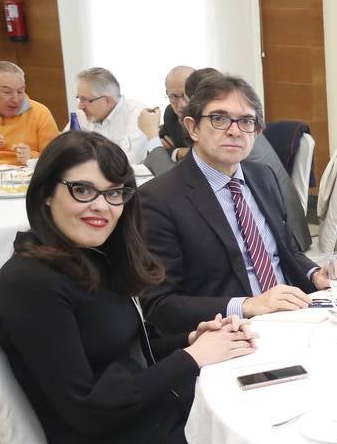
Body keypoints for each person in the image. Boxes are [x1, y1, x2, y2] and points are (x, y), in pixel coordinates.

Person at [0, 131, 258, 444]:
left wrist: (191, 338)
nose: (102, 206)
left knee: (269, 412)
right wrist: (191, 357)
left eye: (115, 193)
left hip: (148, 425)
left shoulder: (89, 258)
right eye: (83, 190)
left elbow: (130, 349)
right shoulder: (32, 282)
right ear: (47, 192)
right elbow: (88, 409)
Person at [139, 73, 327, 333]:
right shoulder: (157, 199)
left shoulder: (262, 176)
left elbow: (287, 251)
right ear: (192, 127)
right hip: (231, 332)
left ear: (257, 132)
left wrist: (315, 274)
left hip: (295, 319)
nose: (234, 130)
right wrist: (248, 305)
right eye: (219, 118)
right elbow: (160, 305)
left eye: (246, 121)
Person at [144, 66, 312, 249]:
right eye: (173, 97)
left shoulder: (249, 158)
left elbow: (179, 182)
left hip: (286, 238)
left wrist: (152, 136)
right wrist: (177, 152)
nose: (180, 105)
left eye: (184, 97)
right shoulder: (183, 118)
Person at [71, 67, 161, 165]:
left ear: (108, 101)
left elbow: (131, 161)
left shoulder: (138, 115)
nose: (80, 106)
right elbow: (65, 150)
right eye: (79, 99)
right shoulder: (83, 114)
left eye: (84, 100)